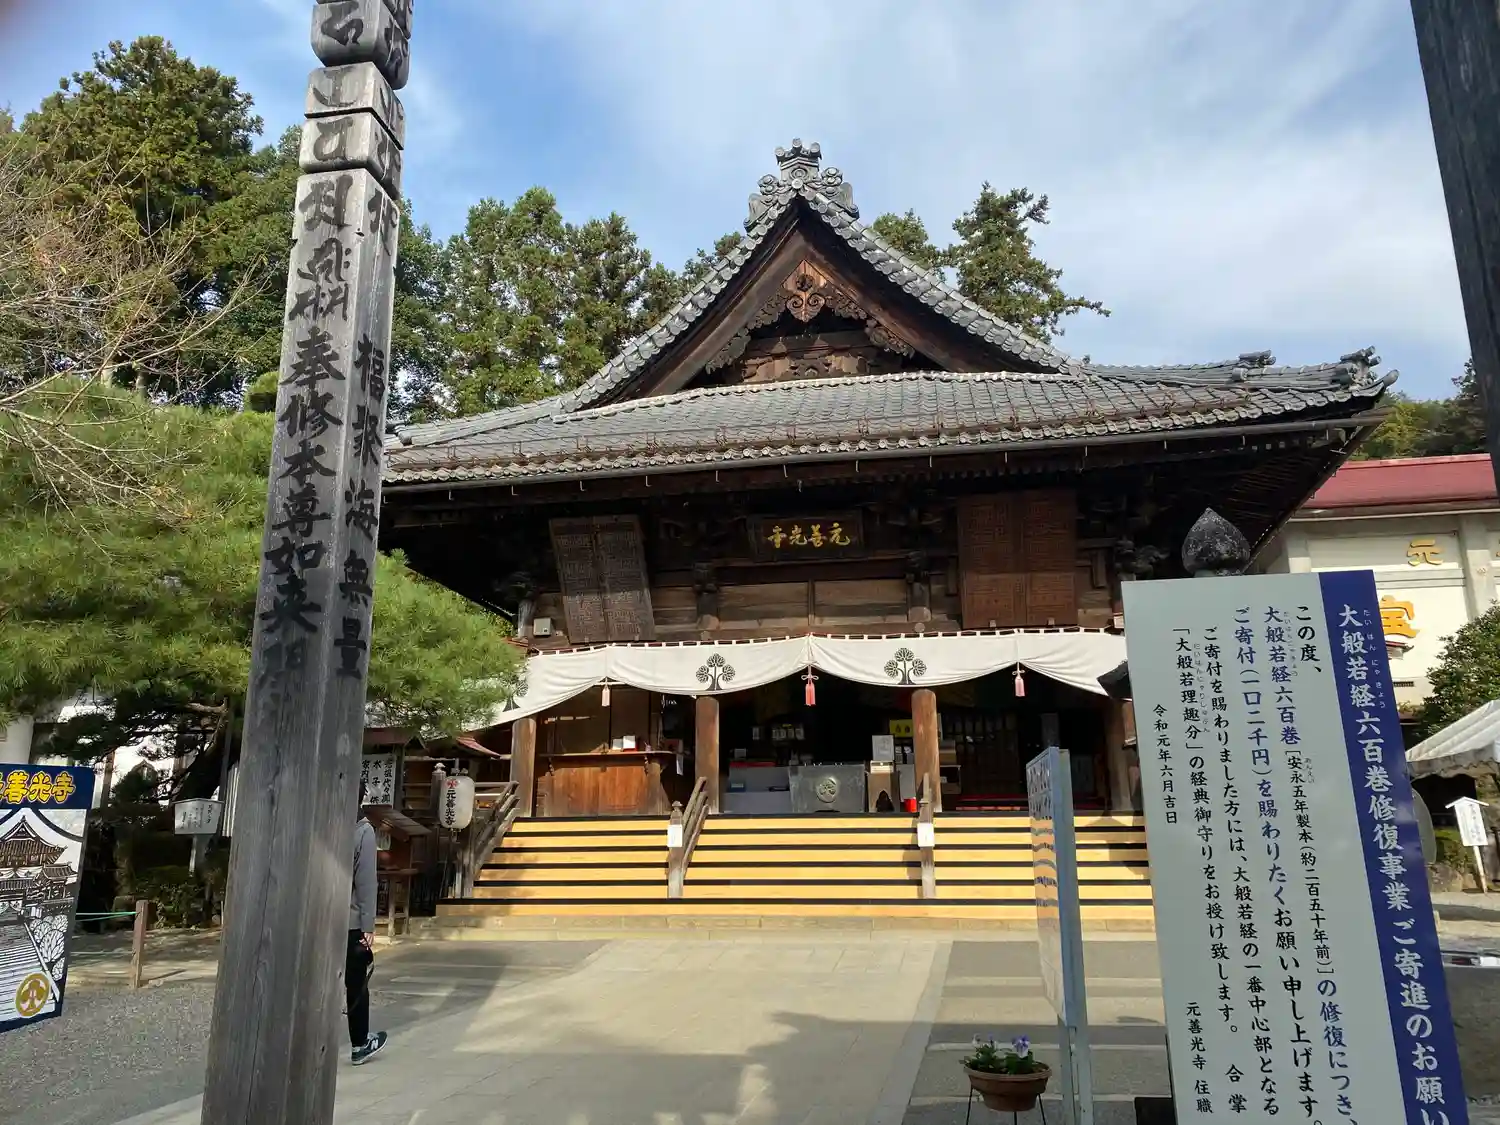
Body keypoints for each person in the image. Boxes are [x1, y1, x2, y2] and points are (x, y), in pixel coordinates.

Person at [348, 788, 388, 1065]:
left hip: (314, 919)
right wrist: (368, 924)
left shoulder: (320, 821)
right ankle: (360, 1043)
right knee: (355, 984)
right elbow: (365, 882)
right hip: (349, 920)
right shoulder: (362, 831)